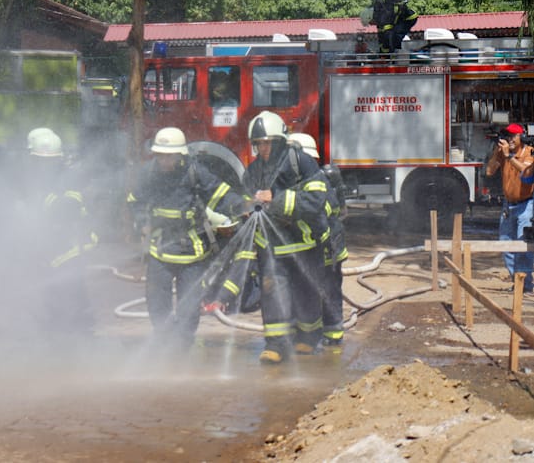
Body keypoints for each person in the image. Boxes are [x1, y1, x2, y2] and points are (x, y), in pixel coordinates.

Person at [127, 127, 246, 351]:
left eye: (168, 156)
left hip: (192, 252)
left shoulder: (195, 172)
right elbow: (135, 200)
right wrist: (142, 222)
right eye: (160, 155)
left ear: (180, 154)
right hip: (160, 250)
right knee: (156, 302)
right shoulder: (148, 173)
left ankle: (182, 346)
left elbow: (220, 194)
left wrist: (243, 206)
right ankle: (163, 342)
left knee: (189, 307)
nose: (164, 160)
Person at [238, 112, 329, 363]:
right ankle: (276, 345)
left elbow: (316, 200)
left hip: (304, 244)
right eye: (259, 143)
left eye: (268, 142)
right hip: (271, 247)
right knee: (272, 294)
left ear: (280, 141)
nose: (263, 148)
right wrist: (246, 209)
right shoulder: (253, 171)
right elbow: (246, 202)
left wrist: (275, 199)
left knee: (306, 292)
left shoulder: (301, 162)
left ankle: (308, 338)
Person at [25, 129, 99, 336]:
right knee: (52, 291)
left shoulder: (68, 178)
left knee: (70, 289)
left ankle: (79, 334)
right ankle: (57, 331)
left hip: (71, 243)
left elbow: (67, 209)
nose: (43, 165)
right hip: (50, 245)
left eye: (48, 161)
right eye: (39, 160)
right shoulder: (34, 178)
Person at [288, 132, 349, 350]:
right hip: (320, 247)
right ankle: (312, 334)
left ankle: (332, 334)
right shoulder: (307, 178)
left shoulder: (318, 180)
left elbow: (323, 213)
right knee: (312, 290)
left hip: (328, 247)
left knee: (327, 290)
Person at [485, 123, 534, 293]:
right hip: (508, 205)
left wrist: (509, 157)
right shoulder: (503, 153)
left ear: (523, 137)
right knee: (506, 244)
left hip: (527, 204)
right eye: (508, 136)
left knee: (524, 245)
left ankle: (526, 285)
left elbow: (527, 172)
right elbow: (489, 171)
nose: (510, 139)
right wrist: (496, 154)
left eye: (514, 136)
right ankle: (518, 282)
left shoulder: (529, 152)